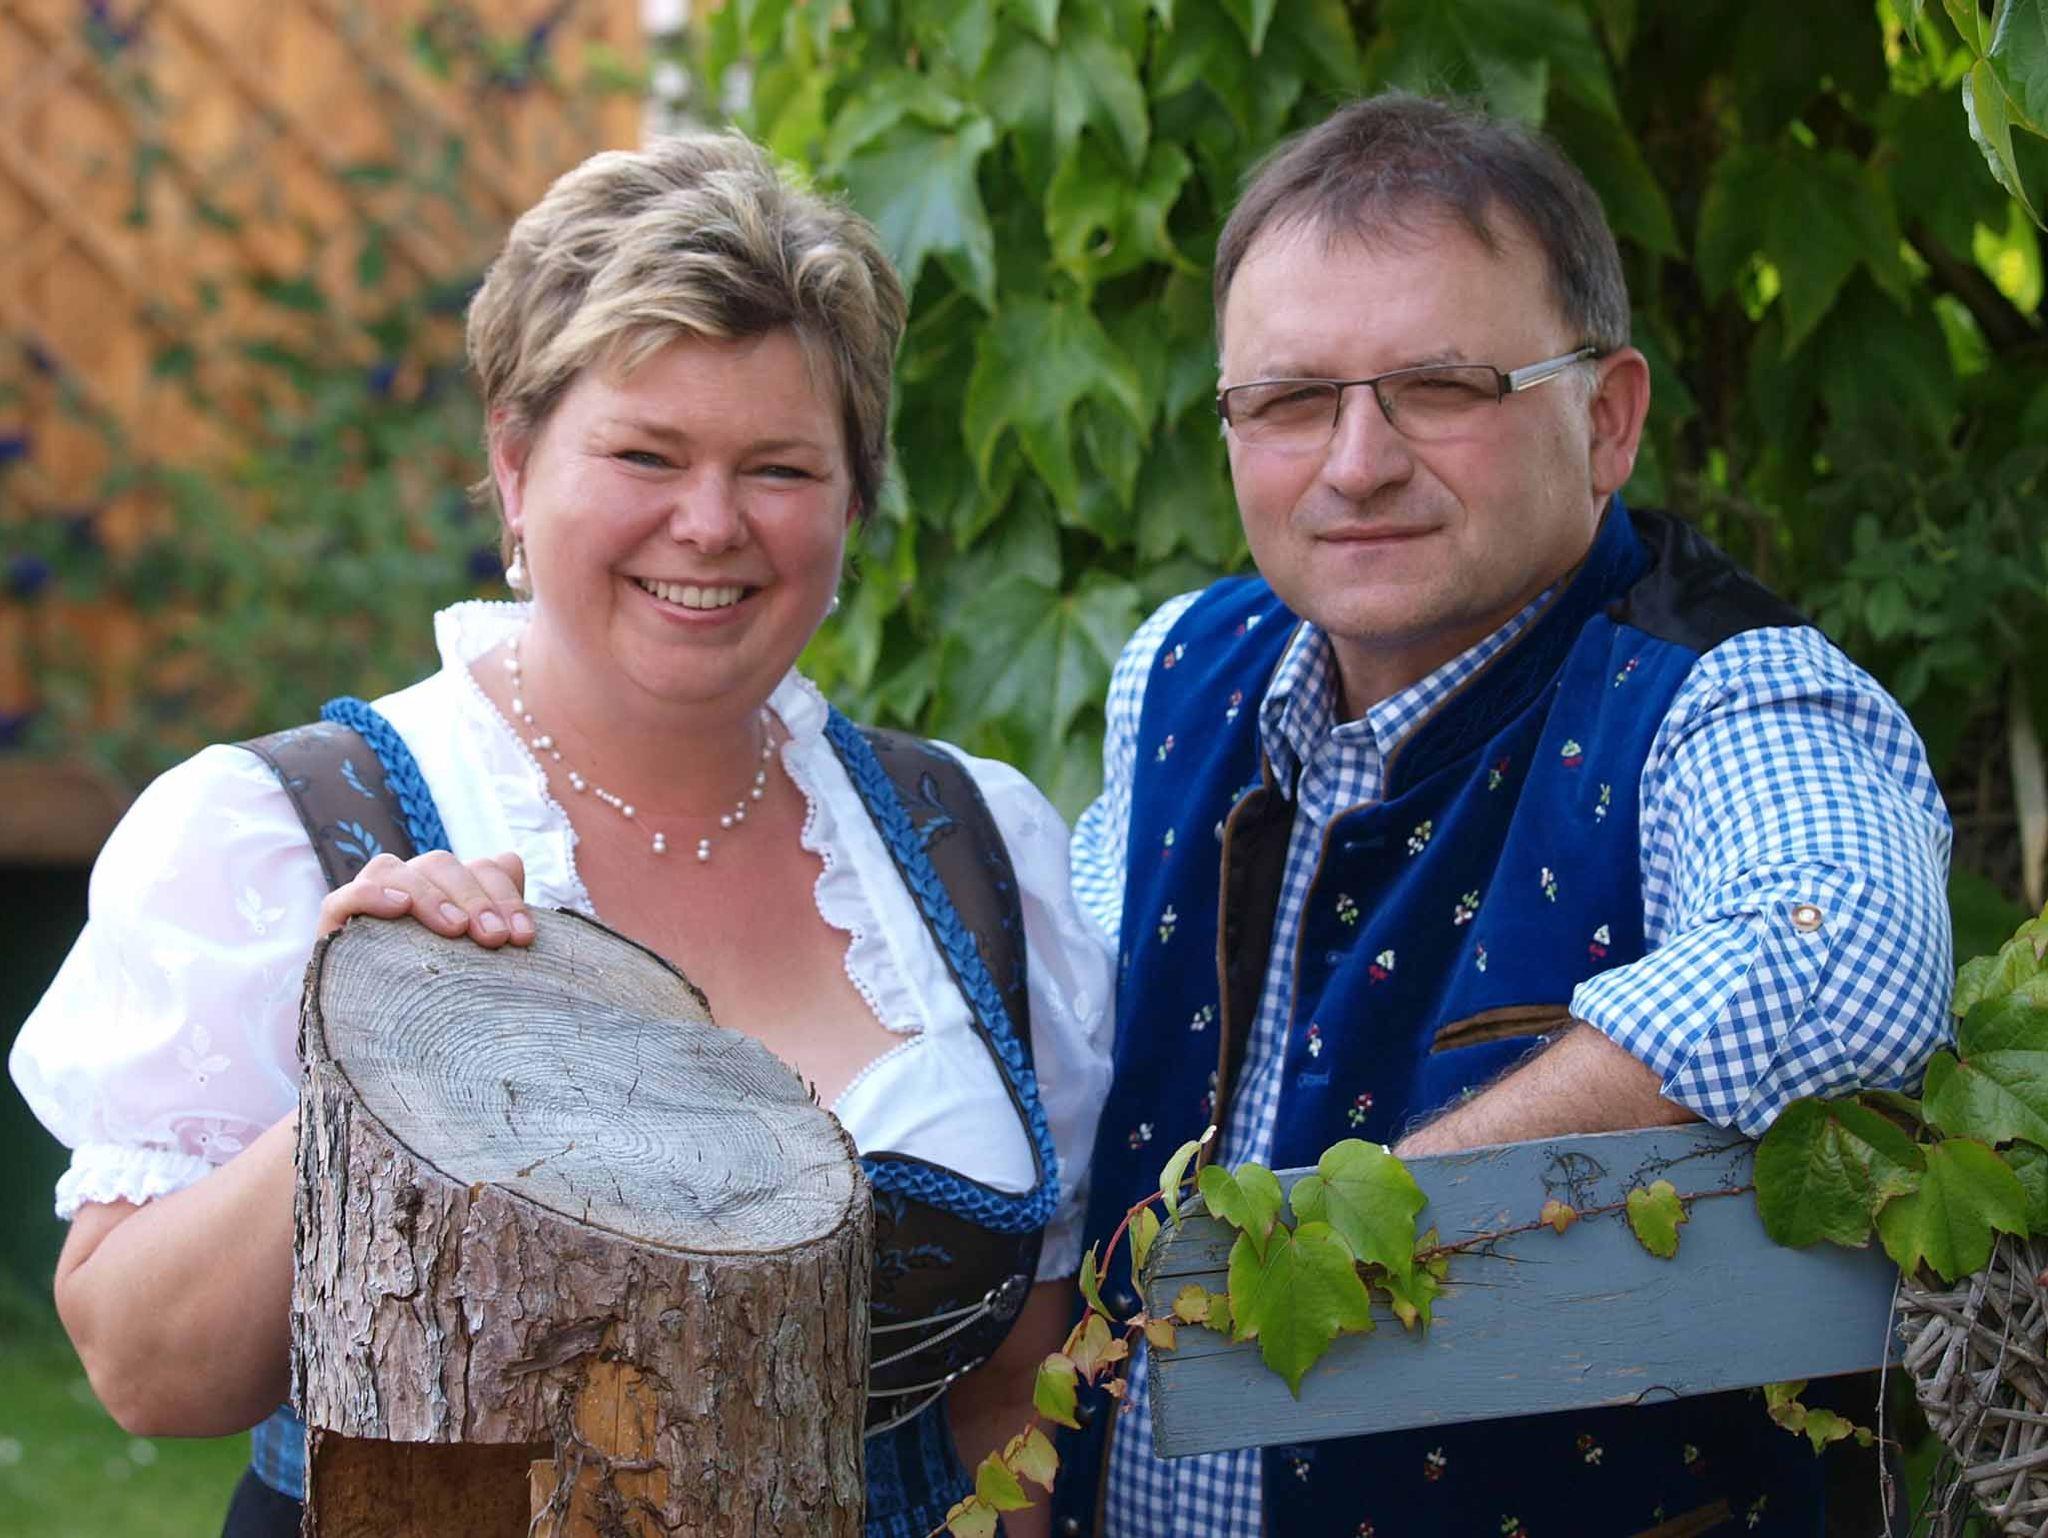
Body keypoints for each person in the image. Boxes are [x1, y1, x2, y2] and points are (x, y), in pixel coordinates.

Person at [10, 131, 1112, 1538]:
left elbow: (1013, 1388)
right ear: (516, 465)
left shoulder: (972, 844)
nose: (709, 523)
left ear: (853, 498)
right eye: (646, 453)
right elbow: (143, 1370)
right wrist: (376, 1065)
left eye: (779, 467)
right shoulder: (290, 830)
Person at [1053, 93, 1953, 1537]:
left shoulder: (1721, 692)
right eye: (1289, 400)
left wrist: (1356, 1223)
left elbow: (1846, 957)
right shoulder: (1177, 668)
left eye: (1441, 386)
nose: (1357, 461)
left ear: (1608, 419)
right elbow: (1071, 1044)